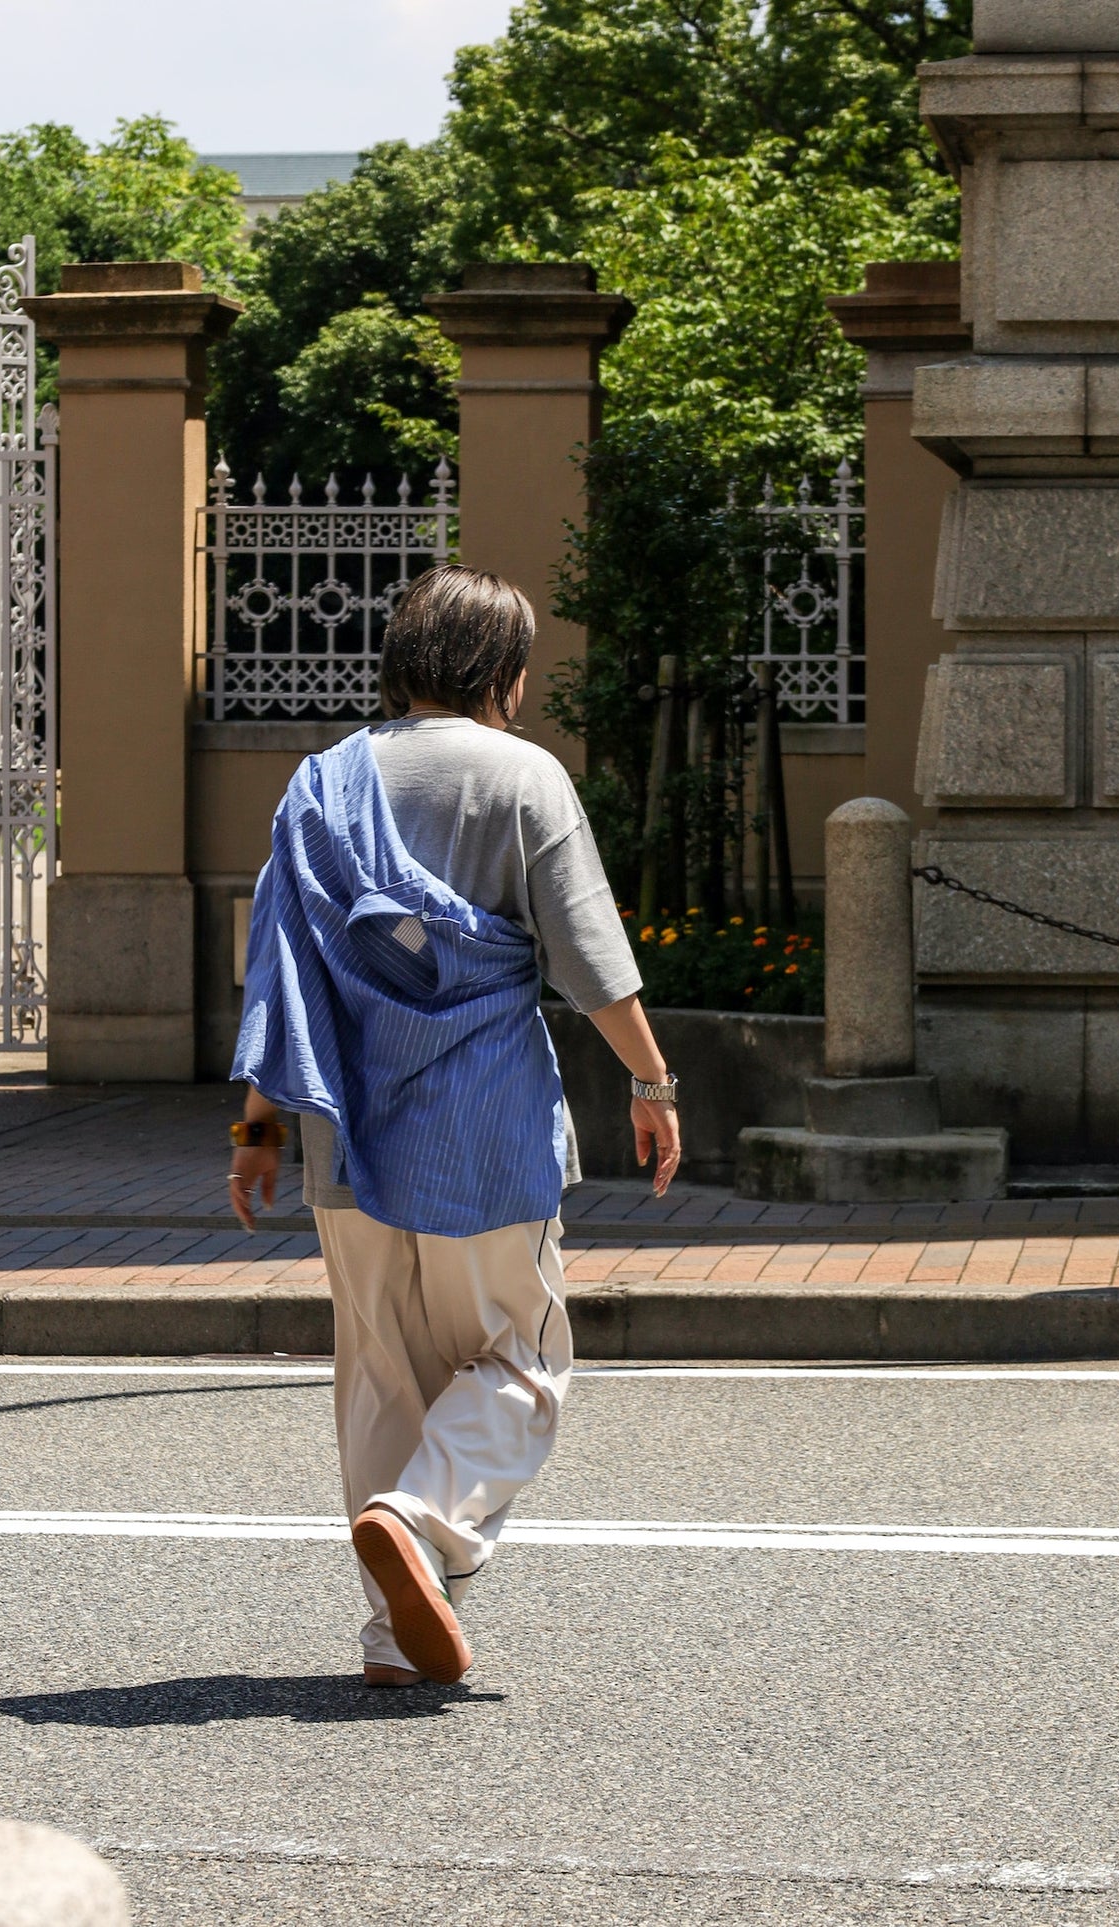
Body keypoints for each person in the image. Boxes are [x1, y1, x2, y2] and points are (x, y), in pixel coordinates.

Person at [229, 564, 680, 1687]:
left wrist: (256, 1129)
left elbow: (277, 966)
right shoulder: (522, 778)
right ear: (505, 675)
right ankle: (419, 1518)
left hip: (347, 1130)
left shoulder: (319, 785)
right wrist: (653, 1084)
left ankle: (392, 1637)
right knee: (519, 1360)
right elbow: (584, 958)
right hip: (483, 1131)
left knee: (383, 1370)